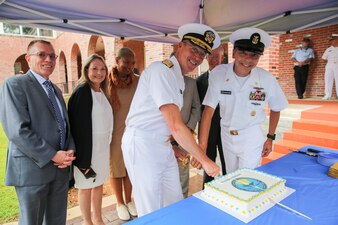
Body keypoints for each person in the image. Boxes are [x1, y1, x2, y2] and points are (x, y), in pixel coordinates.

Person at [121, 23, 221, 217]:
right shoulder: (162, 70)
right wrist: (205, 160)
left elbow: (167, 122)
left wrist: (174, 145)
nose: (197, 58)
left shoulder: (179, 77)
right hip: (142, 145)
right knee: (150, 209)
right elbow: (175, 124)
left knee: (174, 201)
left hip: (163, 144)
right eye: (194, 49)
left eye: (202, 54)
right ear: (180, 46)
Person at [0, 40, 76, 225]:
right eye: (41, 55)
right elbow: (18, 131)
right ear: (28, 58)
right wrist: (52, 155)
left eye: (52, 56)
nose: (48, 59)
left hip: (59, 171)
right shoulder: (15, 84)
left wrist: (69, 151)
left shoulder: (56, 90)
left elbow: (64, 125)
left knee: (57, 221)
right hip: (32, 170)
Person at [198, 27, 288, 173]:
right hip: (226, 136)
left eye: (254, 56)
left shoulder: (267, 79)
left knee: (247, 179)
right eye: (243, 53)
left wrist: (270, 137)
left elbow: (276, 107)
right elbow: (208, 110)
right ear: (233, 53)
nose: (248, 60)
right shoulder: (218, 74)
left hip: (251, 137)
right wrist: (201, 147)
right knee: (231, 176)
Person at [68, 54, 113, 225]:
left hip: (101, 148)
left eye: (102, 69)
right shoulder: (82, 91)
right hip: (86, 150)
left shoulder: (101, 91)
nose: (99, 73)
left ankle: (98, 218)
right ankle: (88, 221)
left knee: (98, 183)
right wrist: (83, 159)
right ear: (86, 70)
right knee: (85, 187)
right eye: (94, 68)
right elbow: (77, 128)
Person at [108, 48, 139, 220]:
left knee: (129, 168)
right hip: (114, 132)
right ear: (117, 60)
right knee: (116, 168)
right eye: (126, 62)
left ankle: (129, 200)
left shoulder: (138, 81)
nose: (129, 66)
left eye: (132, 63)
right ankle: (119, 202)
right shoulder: (107, 82)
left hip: (133, 131)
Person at [196, 46, 227, 185]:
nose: (214, 60)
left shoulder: (230, 79)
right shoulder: (199, 81)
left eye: (217, 57)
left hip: (227, 131)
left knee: (228, 165)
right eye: (211, 56)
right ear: (206, 58)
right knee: (208, 165)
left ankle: (230, 191)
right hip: (207, 131)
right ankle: (206, 192)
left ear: (222, 58)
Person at [170, 75, 201, 198]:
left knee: (182, 170)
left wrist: (188, 128)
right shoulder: (163, 80)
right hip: (164, 136)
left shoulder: (191, 83)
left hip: (184, 136)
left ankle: (183, 199)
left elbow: (196, 106)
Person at [322, 34, 338, 100]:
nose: (331, 42)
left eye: (333, 40)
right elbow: (323, 58)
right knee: (328, 80)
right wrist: (329, 63)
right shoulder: (328, 49)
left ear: (337, 40)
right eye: (331, 40)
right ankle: (327, 95)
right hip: (329, 65)